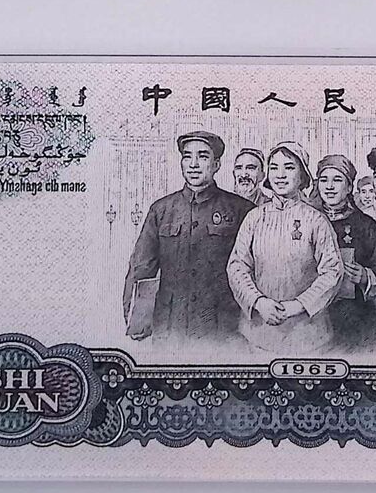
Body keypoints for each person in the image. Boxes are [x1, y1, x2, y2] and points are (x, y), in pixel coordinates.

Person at [124, 131, 255, 345]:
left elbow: (255, 272)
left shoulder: (242, 209)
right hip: (170, 329)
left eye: (202, 156)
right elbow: (141, 269)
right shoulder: (161, 210)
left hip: (224, 330)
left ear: (216, 164)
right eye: (187, 157)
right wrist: (137, 321)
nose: (193, 164)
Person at [226, 142, 344, 354]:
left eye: (289, 167)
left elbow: (332, 272)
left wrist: (298, 305)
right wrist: (259, 302)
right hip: (259, 334)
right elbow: (237, 267)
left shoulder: (316, 220)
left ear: (302, 176)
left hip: (308, 336)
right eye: (274, 168)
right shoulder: (254, 218)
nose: (280, 175)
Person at [312, 154, 376, 350]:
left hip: (355, 320)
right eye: (324, 180)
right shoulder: (306, 221)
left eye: (337, 180)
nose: (329, 187)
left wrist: (366, 276)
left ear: (349, 187)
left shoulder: (366, 225)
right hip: (313, 319)